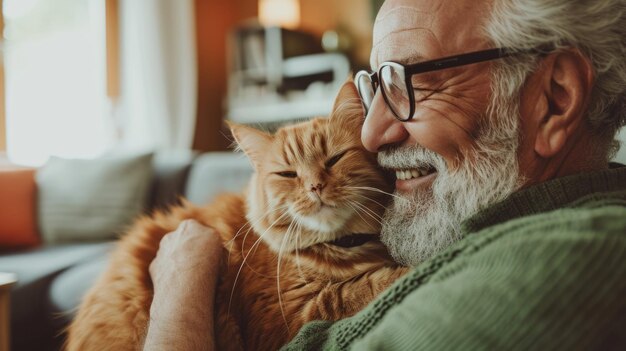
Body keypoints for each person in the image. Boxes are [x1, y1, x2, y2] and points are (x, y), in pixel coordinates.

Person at [144, 0, 626, 349]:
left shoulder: (564, 263)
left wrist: (179, 288)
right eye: (374, 86)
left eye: (410, 82)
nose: (371, 134)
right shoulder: (477, 223)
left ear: (554, 99)